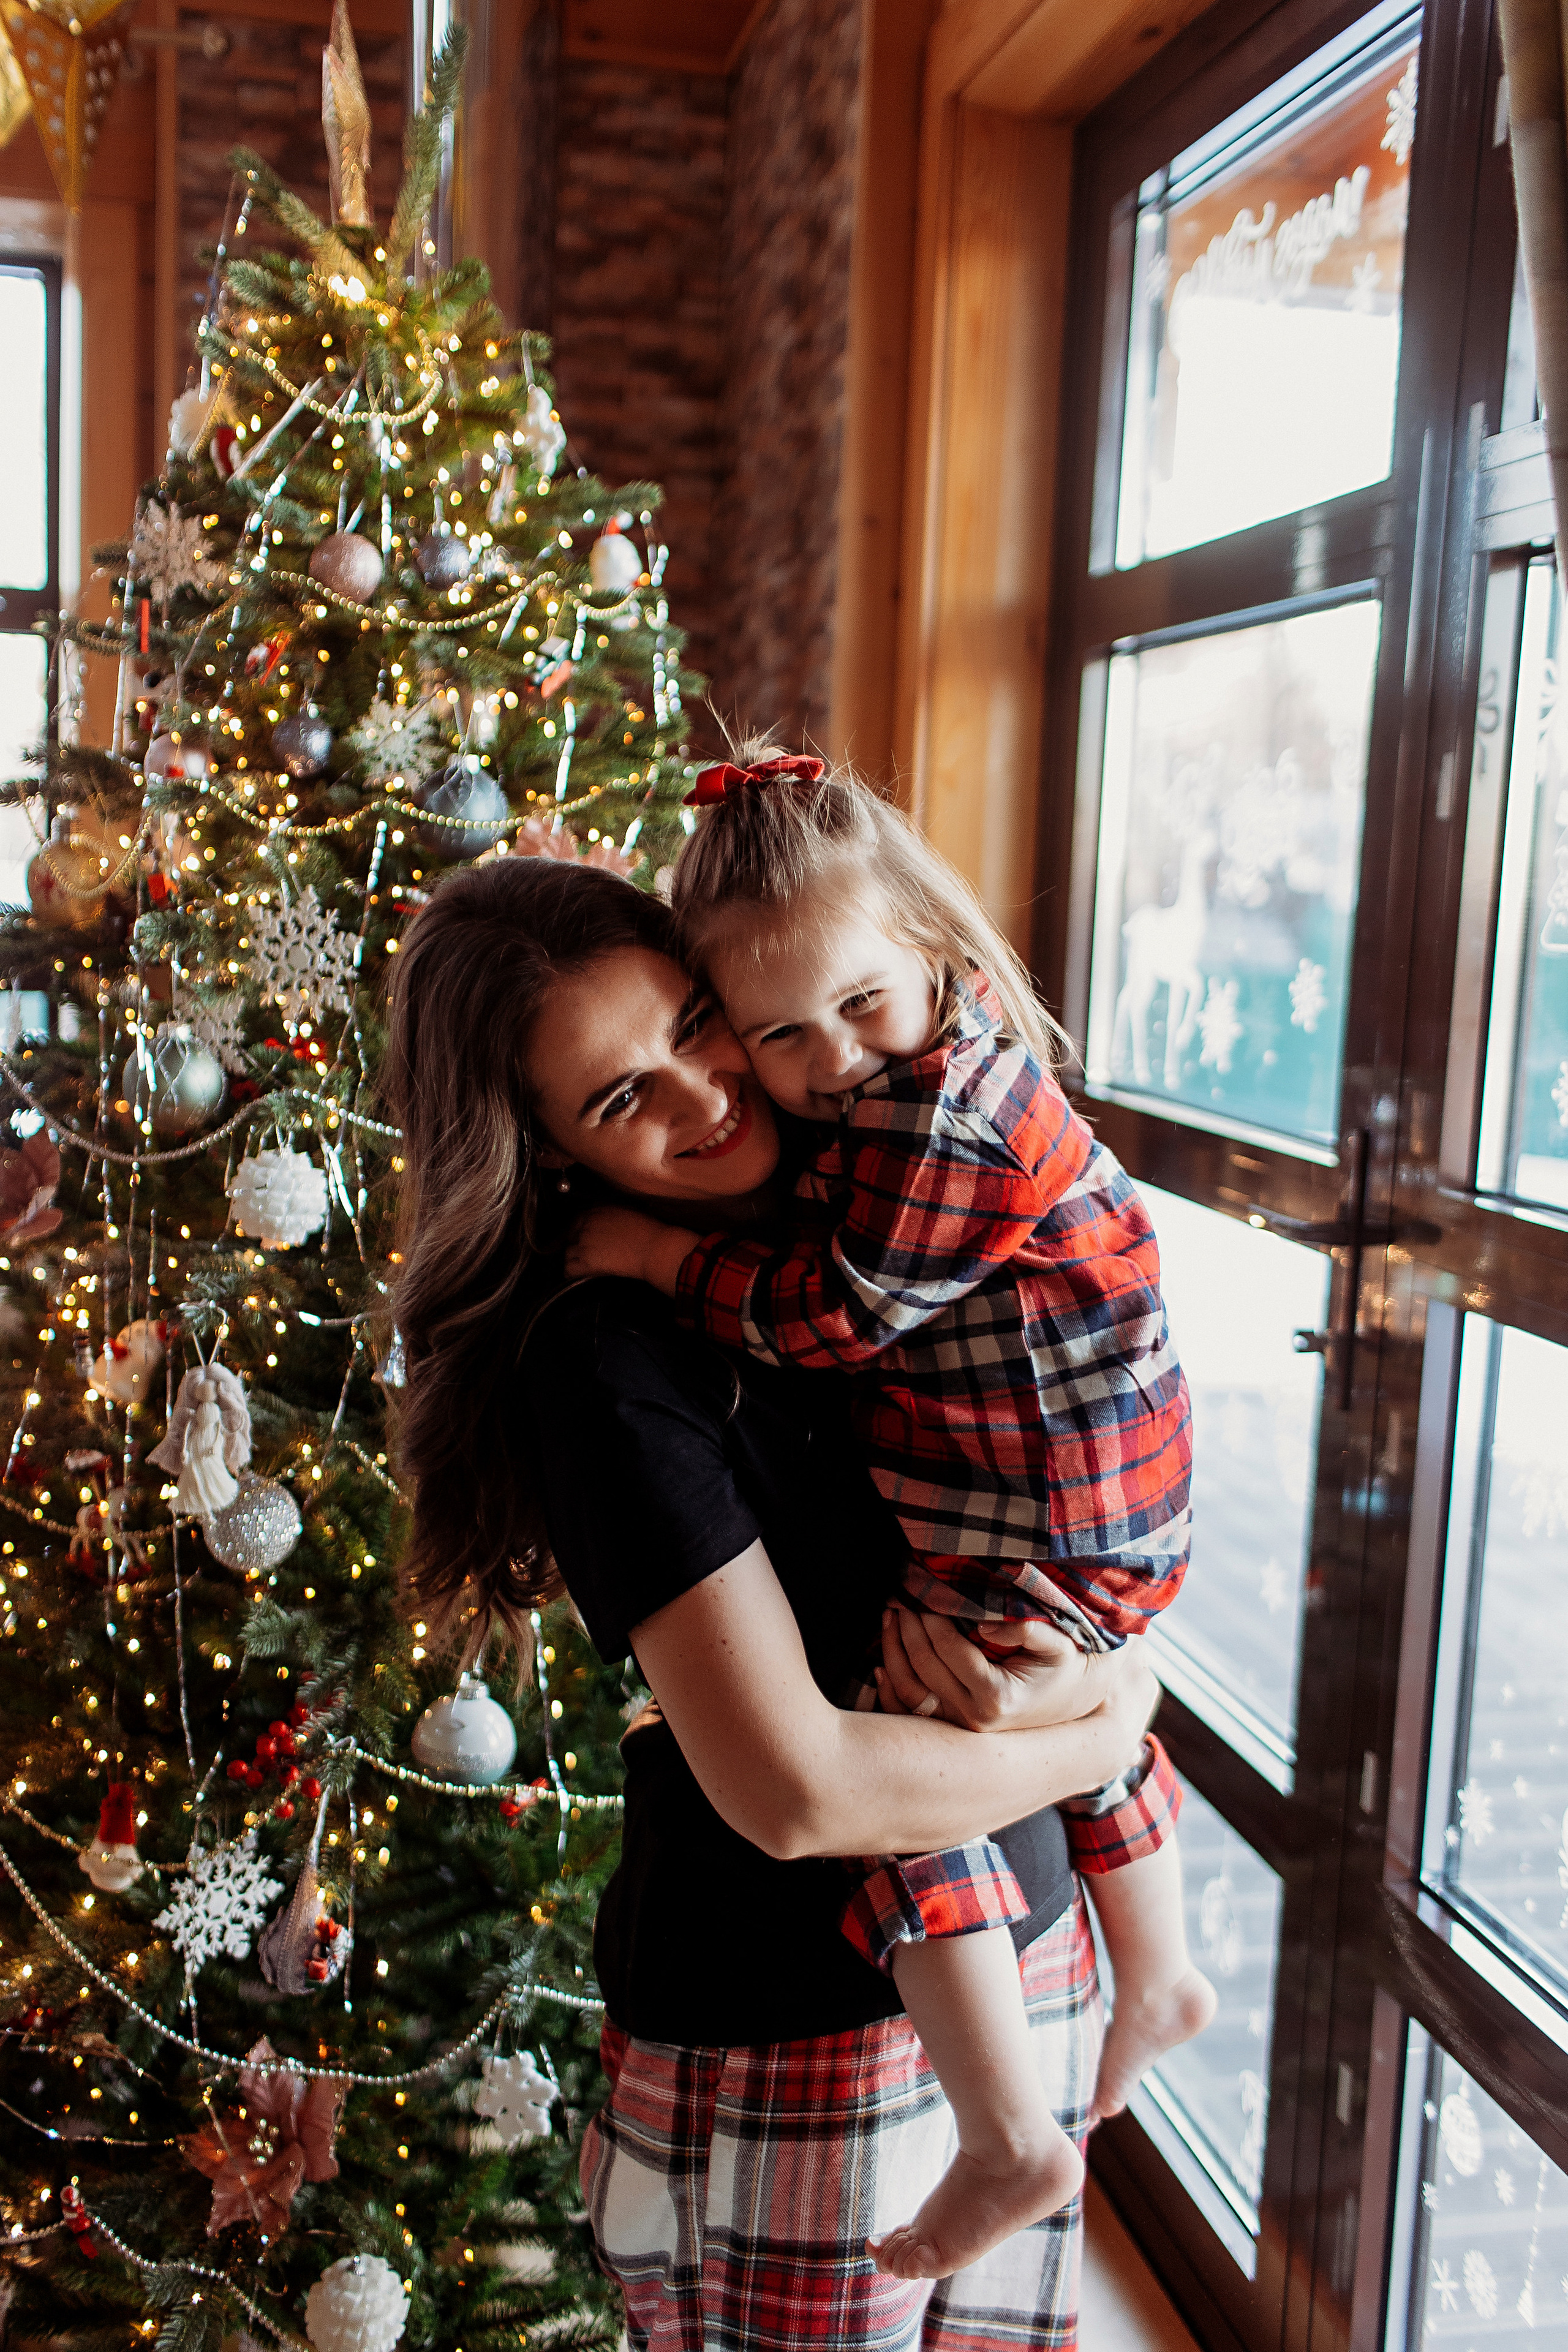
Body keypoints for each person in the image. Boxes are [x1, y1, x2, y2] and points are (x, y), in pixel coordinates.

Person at [384, 854, 1156, 2351]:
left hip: (1028, 1955)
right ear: (540, 1152)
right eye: (620, 1098)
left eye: (693, 1022)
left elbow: (1080, 1487)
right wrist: (1104, 1724)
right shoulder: (604, 1360)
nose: (702, 1095)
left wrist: (1094, 1688)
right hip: (802, 2046)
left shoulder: (874, 1196)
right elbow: (794, 1792)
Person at [567, 747, 1216, 2282]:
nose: (824, 1059)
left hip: (1061, 1502)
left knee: (920, 1731)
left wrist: (657, 1262)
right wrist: (1113, 1705)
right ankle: (1163, 1969)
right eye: (778, 1031)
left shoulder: (955, 1124)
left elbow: (833, 1318)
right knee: (981, 1701)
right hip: (1068, 1496)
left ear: (927, 952)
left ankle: (1008, 2133)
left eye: (857, 1006)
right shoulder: (901, 1089)